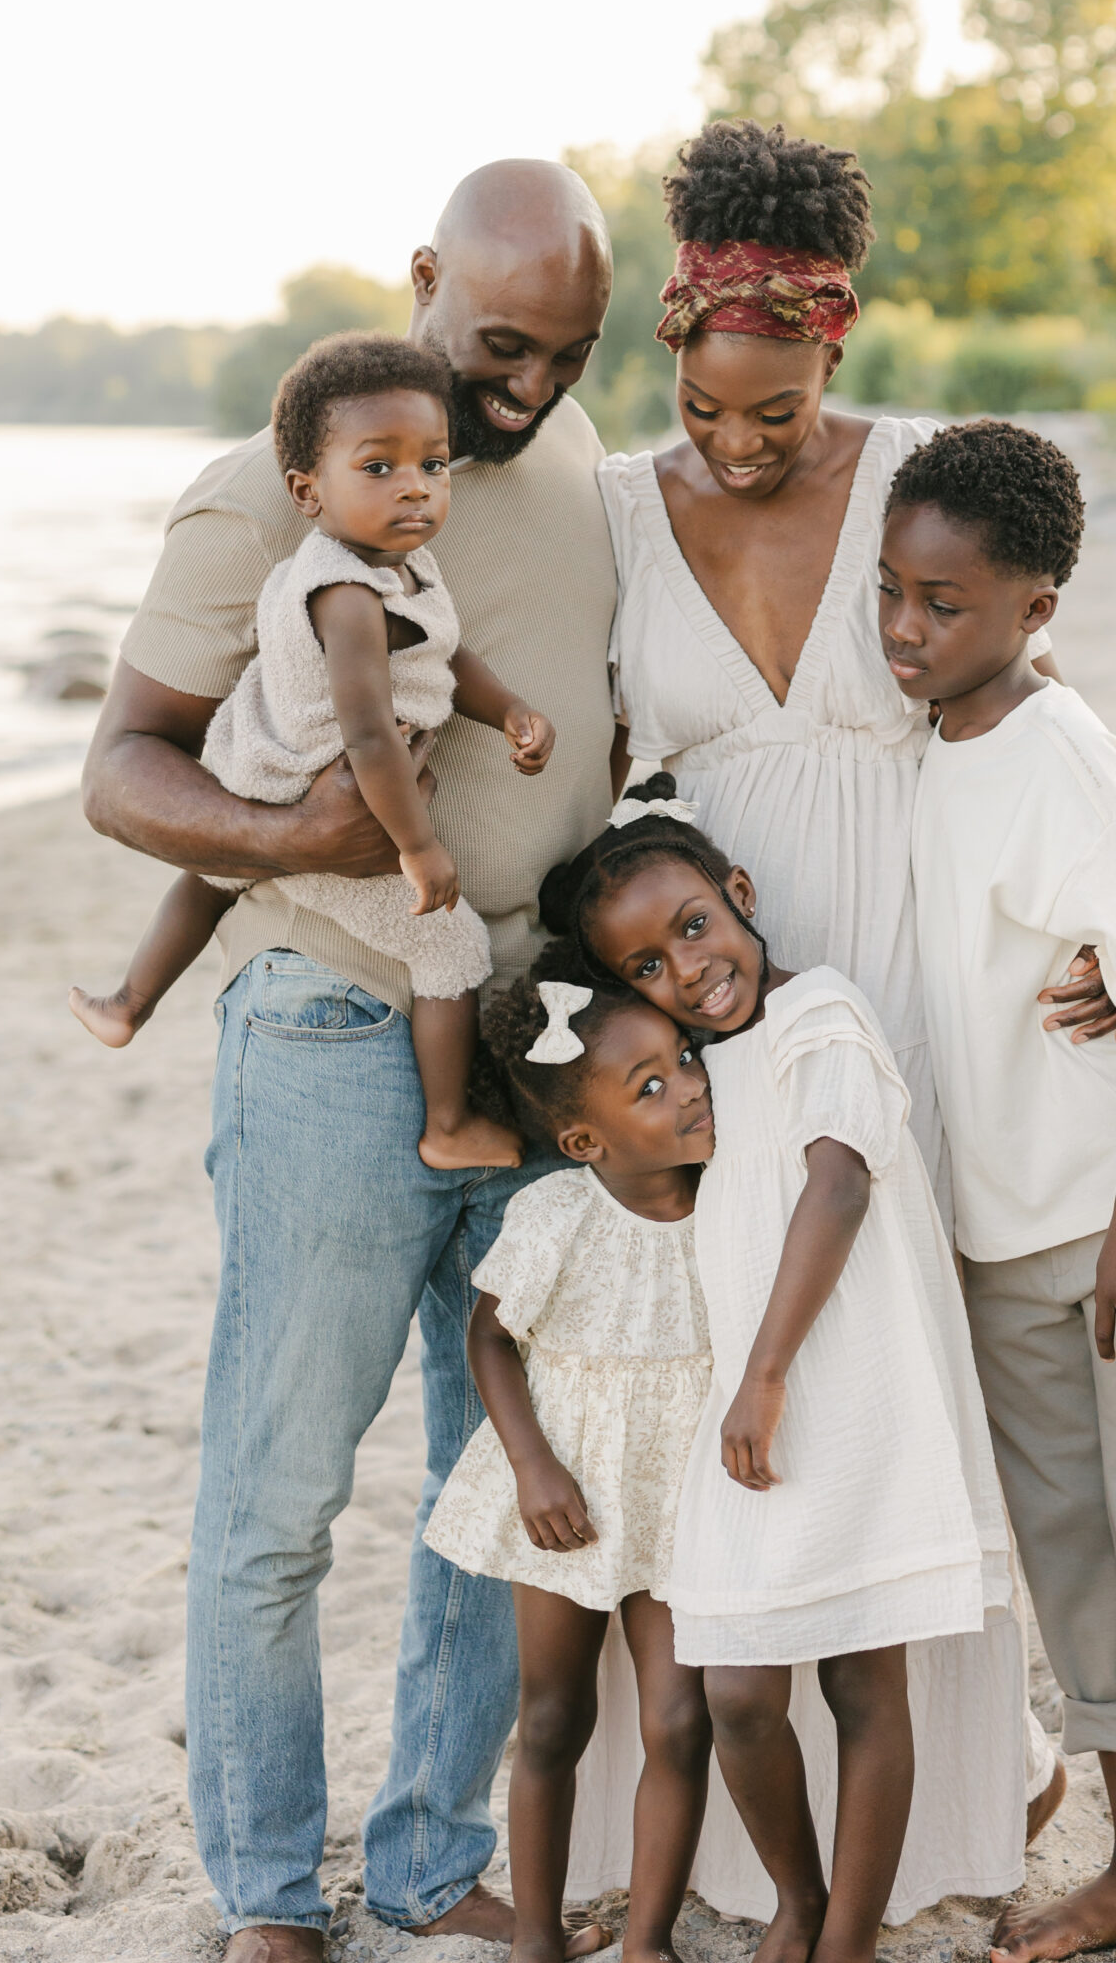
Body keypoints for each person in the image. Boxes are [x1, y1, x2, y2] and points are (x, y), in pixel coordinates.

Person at [80, 162, 622, 1963]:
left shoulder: (557, 453)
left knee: (497, 1476)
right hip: (323, 1028)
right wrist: (305, 839)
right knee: (283, 1488)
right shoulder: (268, 488)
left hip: (534, 1035)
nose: (529, 387)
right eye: (501, 346)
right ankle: (259, 1890)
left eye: (566, 354)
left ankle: (425, 1858)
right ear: (421, 283)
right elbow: (123, 767)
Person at [598, 115, 1116, 1846]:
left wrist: (1109, 926)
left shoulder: (920, 475)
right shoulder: (617, 509)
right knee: (739, 1343)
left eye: (780, 406)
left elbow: (1046, 700)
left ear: (838, 346)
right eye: (704, 409)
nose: (740, 446)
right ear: (667, 349)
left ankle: (976, 1787)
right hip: (718, 992)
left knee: (917, 1364)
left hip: (911, 972)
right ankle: (761, 1812)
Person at [878, 422, 1116, 1963]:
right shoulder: (929, 738)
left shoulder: (1070, 763)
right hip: (998, 1234)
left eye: (944, 604)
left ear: (1035, 606)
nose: (906, 629)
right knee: (1071, 1559)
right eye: (893, 594)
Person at [539, 784, 1023, 1956]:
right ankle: (798, 1897)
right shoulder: (697, 1076)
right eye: (649, 964)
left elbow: (839, 1182)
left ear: (740, 898)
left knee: (865, 1686)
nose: (688, 967)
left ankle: (842, 1935)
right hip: (745, 1416)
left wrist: (764, 1374)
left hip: (844, 1391)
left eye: (695, 925)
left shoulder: (820, 1012)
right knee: (740, 1691)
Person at [71, 332, 556, 1170]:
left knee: (212, 876)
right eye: (379, 468)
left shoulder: (402, 566)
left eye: (432, 466)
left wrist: (507, 709)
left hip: (255, 765)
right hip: (317, 796)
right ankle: (447, 1127)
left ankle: (127, 1003)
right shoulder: (346, 594)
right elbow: (369, 735)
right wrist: (419, 848)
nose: (414, 488)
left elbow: (444, 655)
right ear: (306, 491)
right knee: (452, 949)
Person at [422, 954, 718, 1963]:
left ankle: (646, 1939)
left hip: (682, 1498)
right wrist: (533, 1467)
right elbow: (487, 1338)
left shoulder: (733, 1206)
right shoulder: (554, 1217)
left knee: (680, 1719)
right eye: (650, 1085)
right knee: (552, 1716)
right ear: (584, 1138)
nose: (686, 1086)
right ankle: (537, 1939)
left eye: (683, 1061)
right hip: (569, 1495)